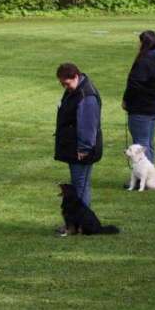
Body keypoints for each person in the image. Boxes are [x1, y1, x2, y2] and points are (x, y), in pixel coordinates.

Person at [54, 63, 103, 222]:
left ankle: (80, 222)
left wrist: (84, 148)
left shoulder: (86, 96)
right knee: (81, 183)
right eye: (62, 84)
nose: (65, 87)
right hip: (74, 145)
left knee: (80, 185)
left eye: (66, 83)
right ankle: (80, 223)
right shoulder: (76, 90)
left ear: (76, 77)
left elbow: (88, 125)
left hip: (82, 149)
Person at [121, 30, 155, 166]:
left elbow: (134, 85)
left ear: (143, 43)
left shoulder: (144, 62)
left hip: (142, 108)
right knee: (148, 144)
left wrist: (125, 100)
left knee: (141, 145)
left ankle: (145, 178)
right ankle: (150, 177)